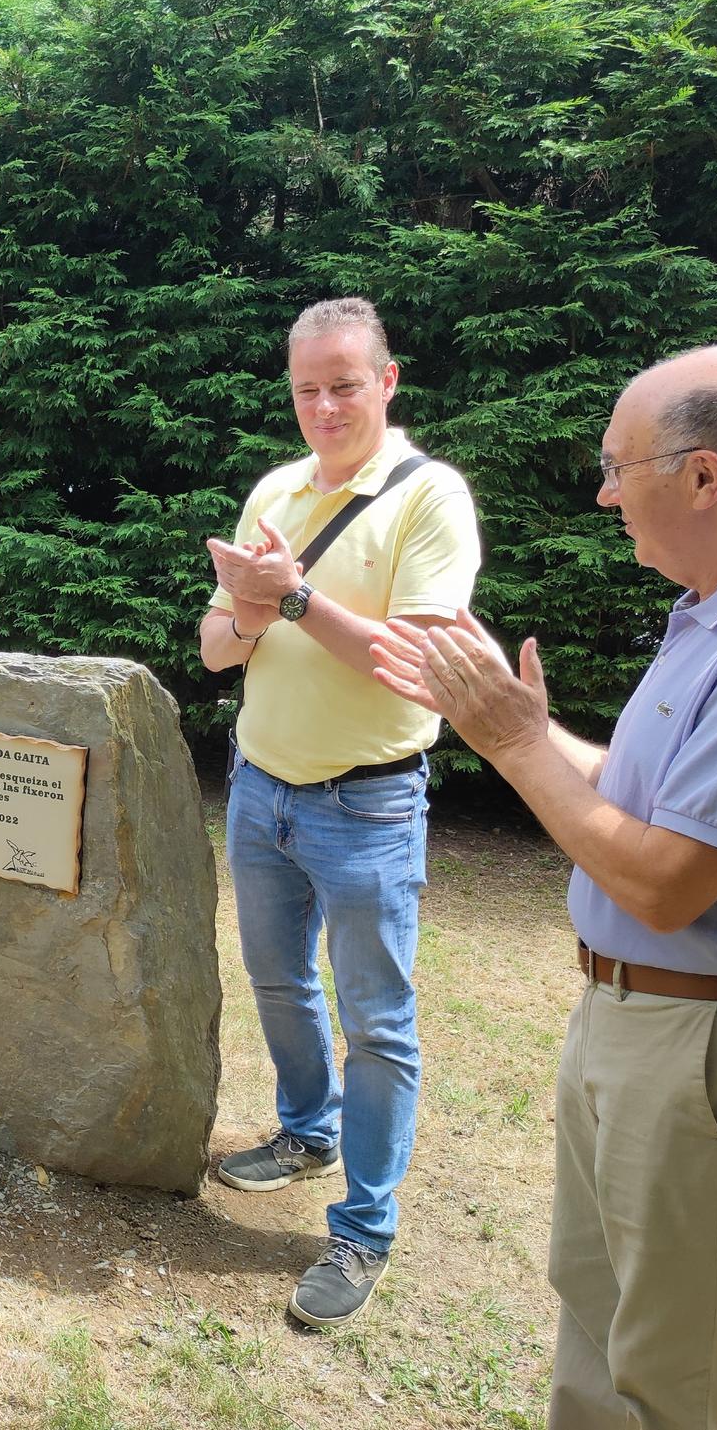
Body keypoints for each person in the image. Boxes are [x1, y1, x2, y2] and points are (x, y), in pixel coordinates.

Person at [372, 345, 717, 1428]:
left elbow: (664, 882)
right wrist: (508, 726)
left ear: (703, 477)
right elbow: (645, 797)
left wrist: (513, 748)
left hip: (712, 1042)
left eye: (616, 464)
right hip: (651, 1023)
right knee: (603, 1337)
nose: (601, 492)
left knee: (680, 1378)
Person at [199, 297, 480, 1327]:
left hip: (366, 805)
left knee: (377, 1022)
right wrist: (242, 613)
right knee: (278, 983)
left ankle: (362, 1229)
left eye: (343, 384)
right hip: (260, 784)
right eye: (306, 387)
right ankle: (303, 1129)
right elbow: (215, 646)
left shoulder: (427, 498)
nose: (322, 404)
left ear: (386, 380)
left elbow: (416, 666)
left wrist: (295, 599)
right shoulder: (273, 489)